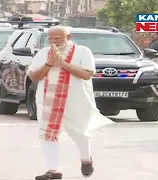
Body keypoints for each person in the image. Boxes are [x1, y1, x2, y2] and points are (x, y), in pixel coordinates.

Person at [27, 26, 114, 180]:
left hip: (75, 99)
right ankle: (54, 170)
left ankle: (86, 159)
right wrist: (48, 64)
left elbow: (87, 74)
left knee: (79, 132)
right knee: (48, 134)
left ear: (69, 36)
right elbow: (34, 77)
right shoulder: (43, 54)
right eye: (50, 38)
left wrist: (62, 63)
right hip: (48, 100)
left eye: (57, 38)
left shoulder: (83, 52)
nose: (53, 41)